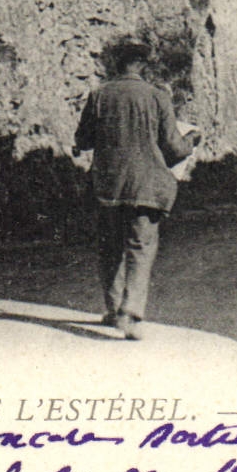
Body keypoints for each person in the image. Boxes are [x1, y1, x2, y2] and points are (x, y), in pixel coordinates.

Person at [72, 43, 199, 340]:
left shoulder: (99, 95)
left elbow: (84, 140)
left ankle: (115, 309)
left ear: (118, 64)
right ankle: (131, 312)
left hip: (108, 185)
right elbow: (173, 147)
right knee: (140, 248)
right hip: (146, 185)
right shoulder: (157, 97)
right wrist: (191, 139)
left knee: (109, 247)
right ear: (143, 65)